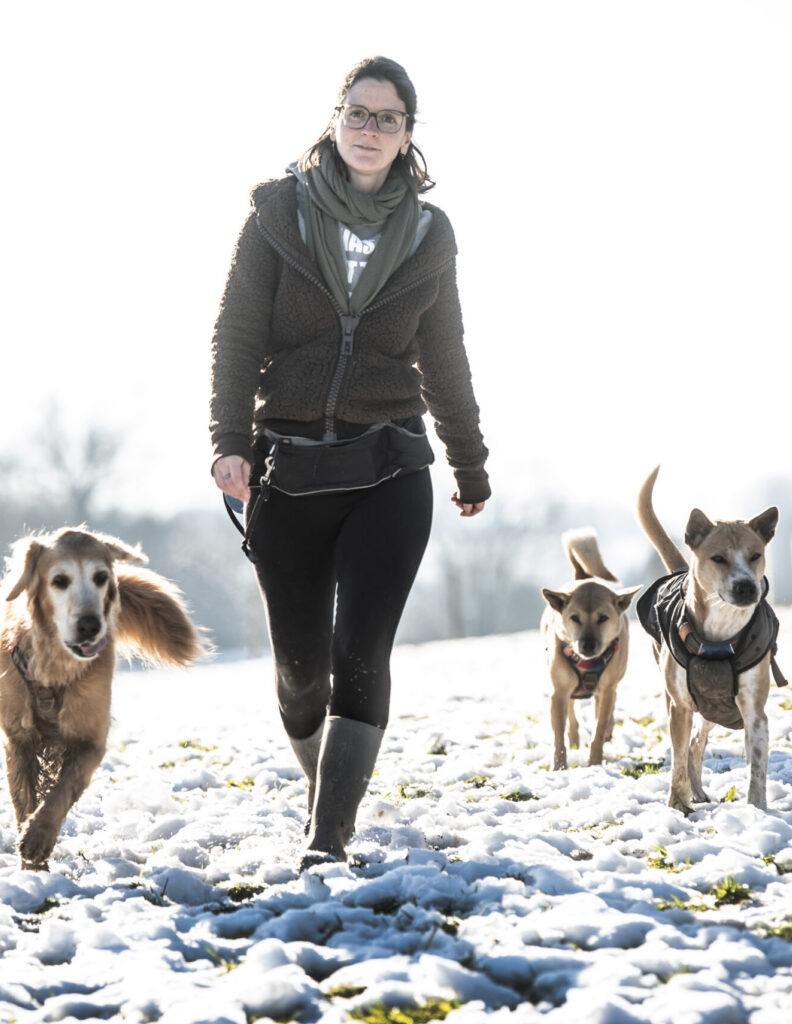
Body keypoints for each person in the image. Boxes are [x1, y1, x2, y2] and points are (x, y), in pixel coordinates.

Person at [209, 56, 490, 869]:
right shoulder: (278, 215)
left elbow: (445, 355)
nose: (370, 130)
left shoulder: (430, 235)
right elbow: (237, 333)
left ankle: (328, 835)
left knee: (361, 652)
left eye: (387, 118)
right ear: (335, 121)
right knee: (301, 673)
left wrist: (468, 461)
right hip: (288, 471)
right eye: (358, 114)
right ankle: (326, 788)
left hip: (389, 467)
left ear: (407, 135)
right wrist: (229, 441)